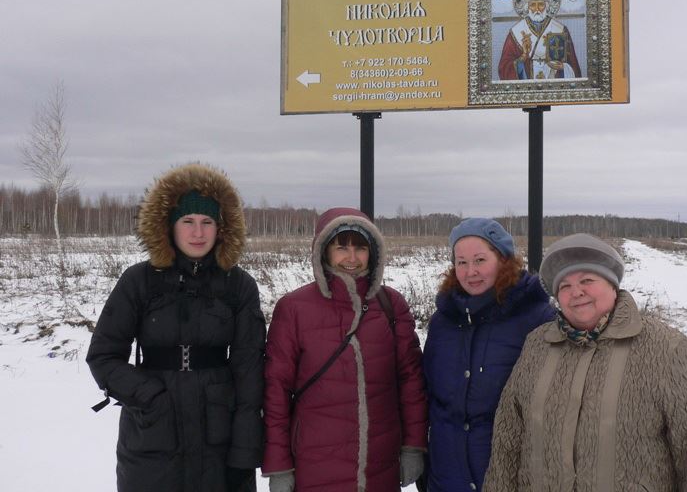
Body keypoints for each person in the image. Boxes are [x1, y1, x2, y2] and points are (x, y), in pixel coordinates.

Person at [483, 233, 687, 491]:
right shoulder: (537, 345)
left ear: (612, 285)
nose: (576, 292)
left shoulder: (666, 348)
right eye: (564, 286)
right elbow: (507, 441)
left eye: (587, 280)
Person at [86, 163, 266, 492]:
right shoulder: (138, 281)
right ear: (169, 226)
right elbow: (103, 357)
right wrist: (151, 398)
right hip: (152, 441)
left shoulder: (238, 286)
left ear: (221, 228)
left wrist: (244, 454)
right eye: (188, 222)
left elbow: (249, 373)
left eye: (207, 222)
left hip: (219, 440)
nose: (198, 233)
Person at [262, 207, 427, 492]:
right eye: (341, 247)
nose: (351, 258)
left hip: (380, 468)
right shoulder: (294, 308)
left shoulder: (391, 305)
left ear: (372, 252)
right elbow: (275, 390)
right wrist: (279, 465)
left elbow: (411, 381)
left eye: (360, 248)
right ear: (323, 251)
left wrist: (413, 445)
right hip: (314, 468)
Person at [422, 218, 555, 492]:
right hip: (447, 478)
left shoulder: (537, 318)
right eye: (461, 262)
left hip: (509, 479)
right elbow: (429, 396)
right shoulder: (442, 322)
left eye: (480, 260)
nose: (471, 271)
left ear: (503, 260)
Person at [497, 0, 582, 80]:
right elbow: (504, 68)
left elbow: (574, 68)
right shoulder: (516, 32)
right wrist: (523, 57)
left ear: (547, 6)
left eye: (541, 4)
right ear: (527, 7)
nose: (537, 9)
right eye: (532, 5)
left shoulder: (560, 29)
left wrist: (563, 67)